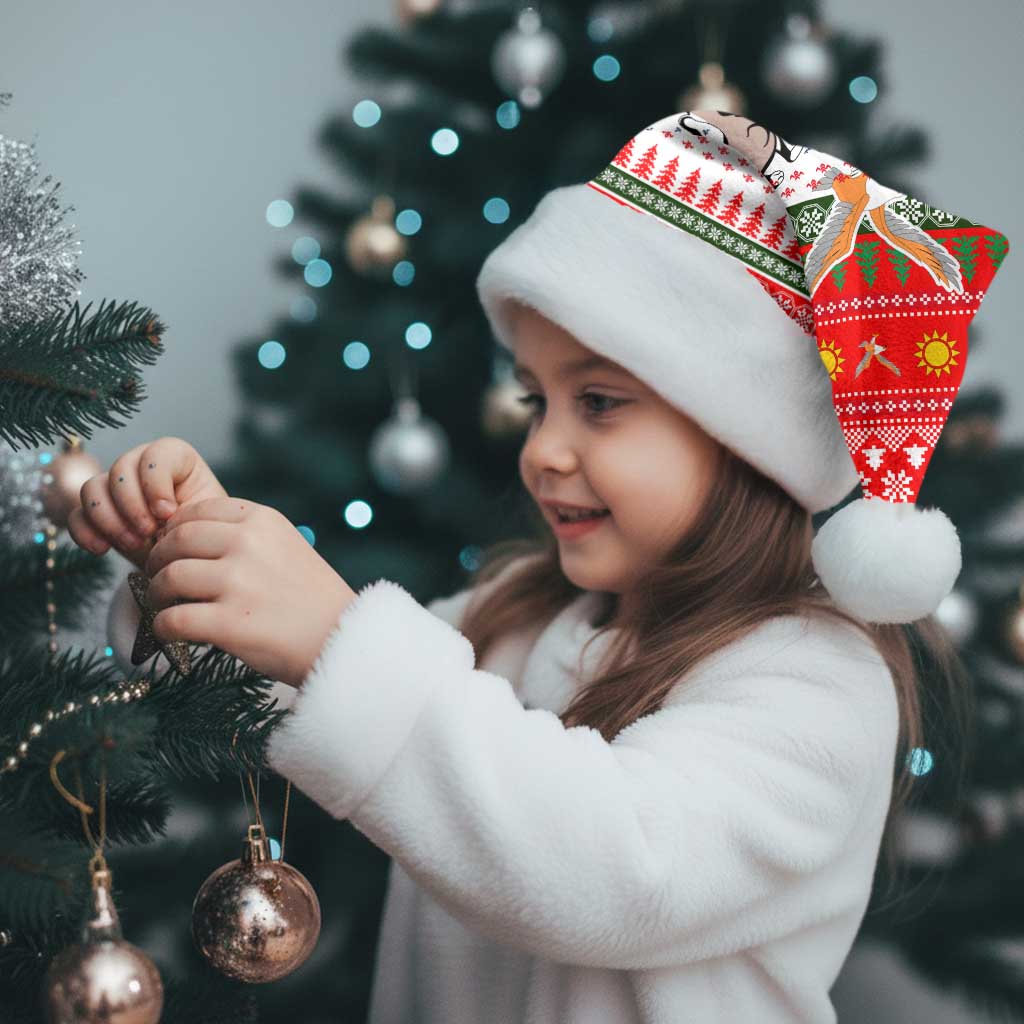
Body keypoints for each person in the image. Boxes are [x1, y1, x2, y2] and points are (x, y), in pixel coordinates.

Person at [71, 109, 1009, 1023]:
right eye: (535, 402)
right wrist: (190, 566)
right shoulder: (515, 617)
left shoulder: (818, 684)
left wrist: (335, 637)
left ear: (748, 441)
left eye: (598, 402)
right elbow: (305, 693)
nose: (543, 450)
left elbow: (615, 870)